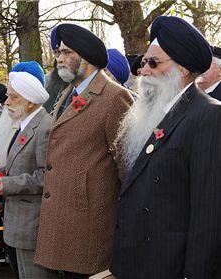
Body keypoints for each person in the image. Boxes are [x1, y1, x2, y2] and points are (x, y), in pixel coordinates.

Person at [110, 16, 221, 278]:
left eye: (153, 63)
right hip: (135, 261)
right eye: (143, 63)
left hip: (169, 266)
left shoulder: (208, 116)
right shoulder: (152, 113)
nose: (143, 70)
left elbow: (208, 216)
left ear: (182, 69)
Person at [34, 23, 134, 277]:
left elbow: (127, 167)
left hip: (90, 229)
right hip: (64, 223)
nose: (60, 59)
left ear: (86, 56)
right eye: (58, 53)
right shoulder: (68, 92)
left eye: (67, 52)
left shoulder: (114, 97)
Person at [0, 61, 54, 279]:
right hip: (19, 223)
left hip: (32, 225)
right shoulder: (25, 123)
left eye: (13, 97)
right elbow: (20, 163)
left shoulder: (44, 128)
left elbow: (46, 177)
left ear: (30, 101)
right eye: (8, 95)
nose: (7, 102)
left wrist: (7, 184)